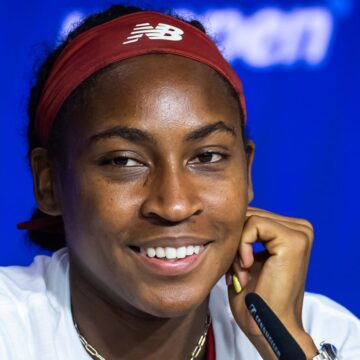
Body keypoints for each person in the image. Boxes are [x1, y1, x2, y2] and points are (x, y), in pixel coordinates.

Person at [1, 4, 359, 360]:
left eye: (207, 157)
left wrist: (285, 343)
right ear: (48, 182)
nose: (174, 205)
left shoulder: (326, 335)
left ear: (247, 171)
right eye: (124, 161)